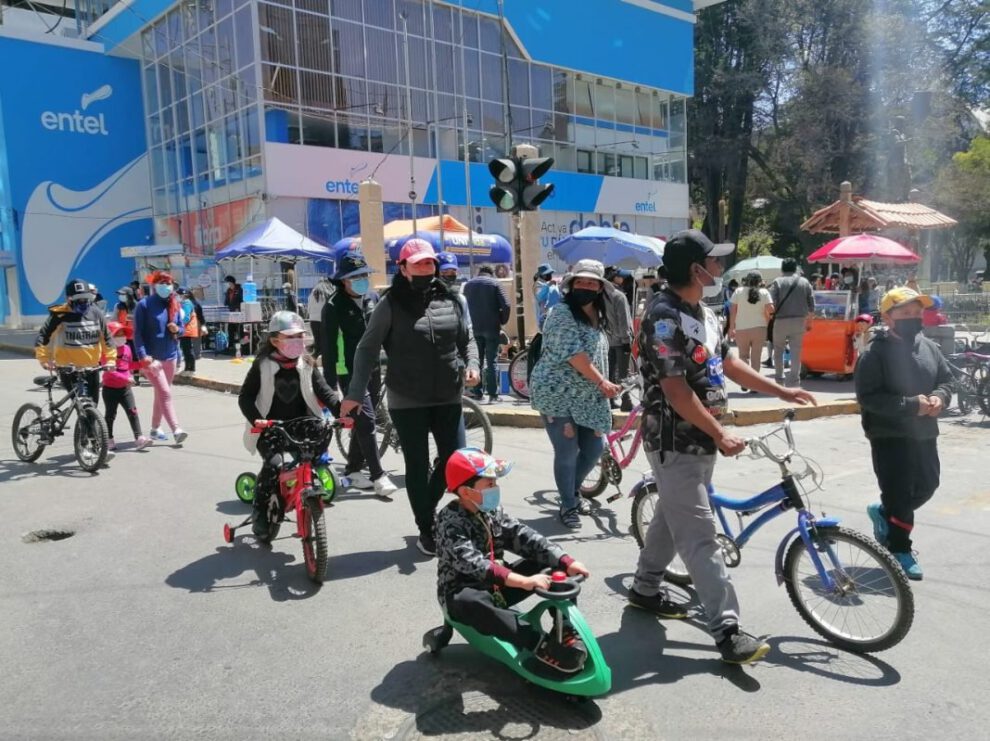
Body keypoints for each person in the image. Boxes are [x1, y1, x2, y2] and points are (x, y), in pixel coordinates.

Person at [631, 230, 816, 664]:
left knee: (671, 516)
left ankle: (644, 587)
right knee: (700, 536)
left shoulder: (705, 313)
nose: (720, 267)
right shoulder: (663, 317)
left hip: (701, 439)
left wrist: (781, 391)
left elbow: (727, 362)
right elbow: (675, 389)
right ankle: (727, 630)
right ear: (697, 270)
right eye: (714, 261)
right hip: (675, 441)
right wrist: (720, 432)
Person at [339, 238, 480, 556]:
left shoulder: (452, 299)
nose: (425, 268)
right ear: (402, 268)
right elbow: (367, 348)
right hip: (407, 398)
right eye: (417, 263)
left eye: (429, 262)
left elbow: (466, 339)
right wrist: (355, 393)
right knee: (416, 465)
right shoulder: (390, 304)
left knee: (455, 459)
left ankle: (428, 510)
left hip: (448, 394)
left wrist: (472, 364)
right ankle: (426, 528)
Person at [435, 447, 592, 673]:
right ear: (466, 492)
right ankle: (539, 644)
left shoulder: (492, 512)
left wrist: (565, 561)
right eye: (489, 484)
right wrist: (522, 581)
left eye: (495, 483)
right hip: (465, 590)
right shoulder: (449, 522)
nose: (495, 488)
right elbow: (474, 564)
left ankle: (565, 626)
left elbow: (523, 535)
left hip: (497, 587)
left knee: (552, 566)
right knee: (469, 601)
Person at [855, 288, 953, 580]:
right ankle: (900, 548)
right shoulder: (874, 353)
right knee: (898, 493)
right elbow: (869, 398)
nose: (914, 317)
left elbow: (947, 380)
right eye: (906, 312)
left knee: (928, 485)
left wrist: (939, 398)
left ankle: (884, 511)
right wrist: (912, 405)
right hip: (889, 435)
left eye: (917, 312)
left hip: (924, 433)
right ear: (887, 317)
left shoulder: (929, 346)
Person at [529, 259, 622, 530]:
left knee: (593, 450)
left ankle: (571, 490)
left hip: (589, 395)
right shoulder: (561, 313)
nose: (585, 286)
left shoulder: (599, 317)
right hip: (556, 394)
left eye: (592, 283)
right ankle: (568, 504)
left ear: (600, 288)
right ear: (571, 285)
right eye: (580, 281)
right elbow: (574, 355)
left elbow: (599, 353)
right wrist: (603, 382)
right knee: (567, 451)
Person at [239, 311, 341, 539]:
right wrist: (256, 419)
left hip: (303, 425)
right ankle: (260, 511)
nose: (297, 341)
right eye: (290, 337)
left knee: (317, 445)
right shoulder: (263, 365)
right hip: (271, 427)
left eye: (300, 336)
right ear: (275, 340)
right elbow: (245, 397)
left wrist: (341, 411)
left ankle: (304, 489)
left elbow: (325, 391)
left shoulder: (307, 363)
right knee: (273, 465)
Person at [320, 252, 398, 499]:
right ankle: (378, 475)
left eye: (364, 275)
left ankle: (353, 469)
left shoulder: (373, 298)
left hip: (373, 367)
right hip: (348, 371)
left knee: (363, 419)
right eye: (356, 276)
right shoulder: (333, 306)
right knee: (366, 420)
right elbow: (328, 349)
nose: (362, 280)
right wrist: (329, 386)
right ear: (344, 280)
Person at [35, 277, 116, 405]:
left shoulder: (96, 313)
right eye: (79, 299)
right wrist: (44, 359)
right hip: (68, 368)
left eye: (85, 298)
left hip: (91, 368)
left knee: (93, 404)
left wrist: (111, 359)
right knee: (80, 405)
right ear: (69, 299)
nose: (83, 302)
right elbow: (43, 336)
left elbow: (107, 337)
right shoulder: (60, 314)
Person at [133, 271, 188, 444]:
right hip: (152, 359)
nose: (165, 286)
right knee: (165, 392)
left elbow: (182, 329)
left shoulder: (174, 304)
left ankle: (155, 428)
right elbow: (137, 334)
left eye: (168, 283)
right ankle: (176, 429)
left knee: (161, 393)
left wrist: (177, 330)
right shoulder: (144, 305)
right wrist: (143, 355)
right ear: (155, 285)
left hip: (170, 356)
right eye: (162, 283)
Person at [463, 265, 510, 404]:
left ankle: (477, 393)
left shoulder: (468, 285)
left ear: (479, 273)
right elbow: (506, 305)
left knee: (476, 360)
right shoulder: (495, 284)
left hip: (474, 328)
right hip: (491, 328)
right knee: (491, 361)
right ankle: (493, 395)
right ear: (492, 273)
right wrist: (502, 320)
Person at [102, 322, 151, 451]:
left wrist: (142, 365)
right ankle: (109, 439)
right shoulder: (106, 351)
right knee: (110, 415)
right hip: (110, 389)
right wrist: (126, 378)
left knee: (132, 412)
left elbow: (128, 366)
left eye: (123, 334)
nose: (121, 337)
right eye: (117, 334)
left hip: (125, 389)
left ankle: (139, 437)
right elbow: (110, 371)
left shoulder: (127, 349)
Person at [768, 258, 815, 387]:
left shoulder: (777, 282)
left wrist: (770, 317)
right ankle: (794, 380)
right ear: (795, 269)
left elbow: (771, 302)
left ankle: (779, 379)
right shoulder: (804, 282)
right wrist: (809, 321)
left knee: (778, 350)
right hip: (799, 320)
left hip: (781, 320)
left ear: (782, 268)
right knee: (796, 351)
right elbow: (812, 304)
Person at [728, 272, 774, 389]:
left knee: (743, 356)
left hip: (741, 328)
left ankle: (745, 382)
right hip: (759, 328)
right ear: (760, 281)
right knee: (756, 358)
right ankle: (754, 385)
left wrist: (732, 328)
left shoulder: (738, 291)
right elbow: (771, 309)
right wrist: (767, 319)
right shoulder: (764, 292)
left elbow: (733, 311)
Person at [603, 272, 634, 411]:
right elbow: (624, 320)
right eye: (620, 276)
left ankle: (610, 400)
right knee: (624, 373)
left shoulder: (601, 296)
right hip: (621, 341)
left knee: (609, 371)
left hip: (608, 340)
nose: (622, 279)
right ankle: (626, 401)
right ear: (614, 277)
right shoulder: (619, 296)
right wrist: (626, 340)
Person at [177, 289, 206, 377]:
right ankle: (187, 369)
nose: (177, 297)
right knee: (186, 350)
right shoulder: (184, 303)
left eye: (178, 295)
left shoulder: (187, 304)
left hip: (187, 330)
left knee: (188, 350)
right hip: (185, 330)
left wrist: (178, 325)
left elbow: (186, 318)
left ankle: (192, 369)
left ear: (184, 295)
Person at [307, 274, 333, 355]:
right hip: (324, 320)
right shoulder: (328, 292)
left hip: (313, 320)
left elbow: (308, 308)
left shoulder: (312, 293)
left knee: (317, 341)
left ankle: (315, 354)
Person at [533, 263, 562, 329]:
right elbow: (539, 297)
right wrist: (548, 285)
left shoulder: (548, 283)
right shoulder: (538, 284)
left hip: (555, 316)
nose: (550, 275)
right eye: (549, 274)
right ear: (543, 275)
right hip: (545, 318)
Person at [222, 275, 243, 356]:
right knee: (230, 330)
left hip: (238, 313)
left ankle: (241, 347)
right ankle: (230, 347)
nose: (227, 284)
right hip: (230, 314)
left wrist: (238, 308)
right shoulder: (228, 291)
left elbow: (242, 300)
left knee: (239, 330)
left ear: (231, 282)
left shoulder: (239, 290)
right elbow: (226, 301)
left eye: (227, 282)